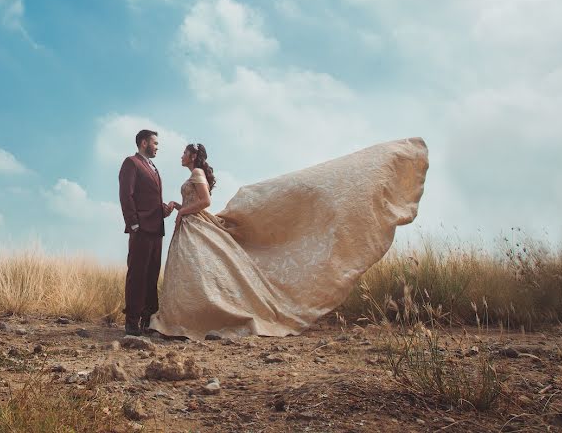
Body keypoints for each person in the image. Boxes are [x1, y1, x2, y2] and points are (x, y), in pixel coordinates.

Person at [150, 137, 429, 339]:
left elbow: (206, 201)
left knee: (202, 270)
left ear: (193, 156)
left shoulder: (197, 172)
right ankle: (186, 317)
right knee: (194, 271)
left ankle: (197, 318)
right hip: (188, 224)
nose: (181, 156)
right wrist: (178, 207)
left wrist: (181, 209)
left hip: (194, 223)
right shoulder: (195, 173)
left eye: (184, 152)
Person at [118, 129, 173, 336]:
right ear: (143, 143)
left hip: (156, 228)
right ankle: (131, 321)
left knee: (151, 274)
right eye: (155, 143)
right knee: (137, 274)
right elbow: (126, 194)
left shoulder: (154, 167)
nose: (158, 147)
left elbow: (149, 197)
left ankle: (148, 321)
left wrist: (162, 209)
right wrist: (133, 224)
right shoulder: (131, 163)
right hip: (140, 229)